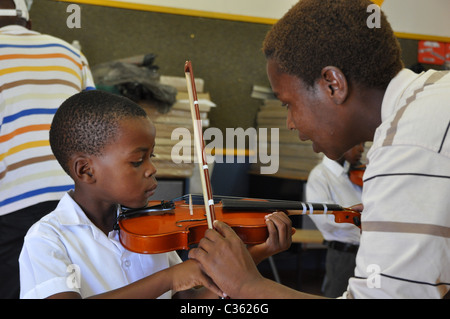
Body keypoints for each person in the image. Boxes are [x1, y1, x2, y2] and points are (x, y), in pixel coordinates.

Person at [190, 0, 450, 299]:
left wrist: (249, 286)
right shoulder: (435, 94)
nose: (289, 122)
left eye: (288, 103)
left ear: (332, 84)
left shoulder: (407, 142)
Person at [18, 90, 292, 299]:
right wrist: (169, 278)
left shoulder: (148, 230)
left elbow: (190, 300)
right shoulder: (47, 239)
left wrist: (253, 254)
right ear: (86, 170)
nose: (152, 170)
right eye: (138, 161)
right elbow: (173, 281)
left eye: (152, 157)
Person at [0, 0, 95, 298]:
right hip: (80, 201)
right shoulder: (71, 53)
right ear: (27, 21)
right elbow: (99, 128)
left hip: (12, 208)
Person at [306, 143, 364, 297]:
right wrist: (363, 220)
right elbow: (325, 218)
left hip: (365, 251)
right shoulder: (319, 175)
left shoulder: (353, 174)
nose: (362, 149)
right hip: (343, 253)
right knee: (337, 293)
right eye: (357, 143)